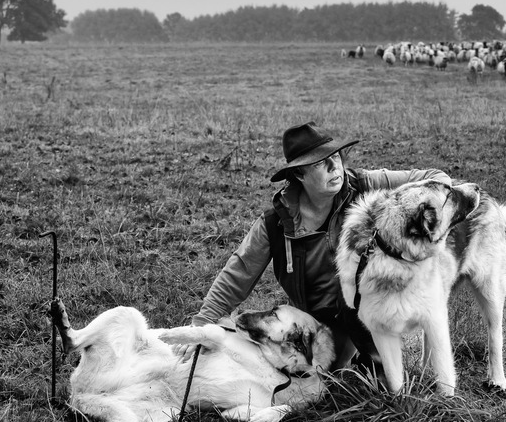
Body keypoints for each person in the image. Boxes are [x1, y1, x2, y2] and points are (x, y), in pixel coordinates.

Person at [190, 121, 451, 367]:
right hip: (317, 325)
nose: (333, 166)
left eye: (335, 156)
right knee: (268, 358)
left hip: (373, 303)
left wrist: (413, 212)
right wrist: (199, 327)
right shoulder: (276, 223)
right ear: (299, 175)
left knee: (352, 297)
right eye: (320, 163)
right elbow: (237, 275)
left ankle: (383, 364)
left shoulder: (364, 186)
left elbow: (436, 178)